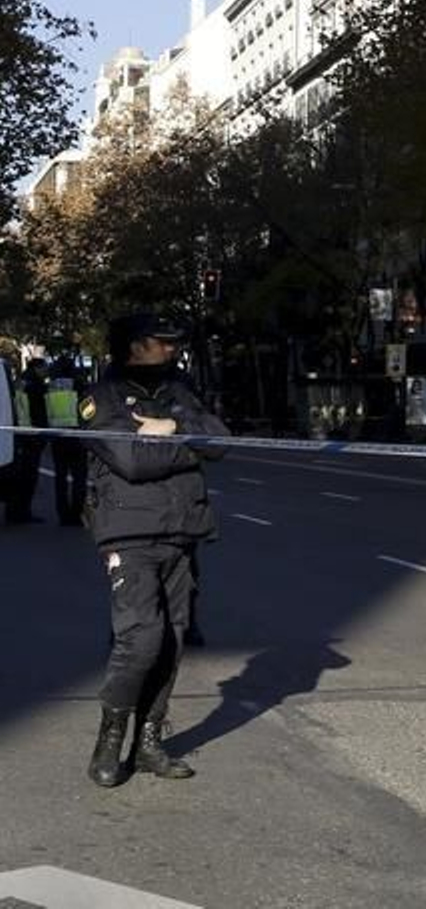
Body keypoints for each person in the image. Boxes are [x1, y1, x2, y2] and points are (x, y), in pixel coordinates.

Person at [82, 313, 229, 787]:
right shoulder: (101, 398)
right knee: (141, 638)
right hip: (129, 533)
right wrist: (188, 444)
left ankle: (148, 742)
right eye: (163, 342)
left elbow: (221, 441)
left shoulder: (178, 391)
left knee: (172, 640)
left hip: (181, 530)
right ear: (135, 346)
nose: (172, 350)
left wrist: (174, 424)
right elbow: (133, 461)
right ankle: (110, 738)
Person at [45, 357, 89, 526]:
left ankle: (63, 514)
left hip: (57, 436)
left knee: (60, 478)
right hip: (77, 436)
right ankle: (76, 513)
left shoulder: (51, 386)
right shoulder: (79, 385)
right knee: (79, 477)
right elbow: (88, 410)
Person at [4, 357, 47, 524]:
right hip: (30, 435)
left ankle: (15, 511)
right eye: (44, 368)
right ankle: (21, 512)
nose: (46, 371)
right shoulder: (35, 385)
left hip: (20, 435)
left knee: (19, 476)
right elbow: (37, 411)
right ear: (37, 368)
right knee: (27, 477)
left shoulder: (20, 381)